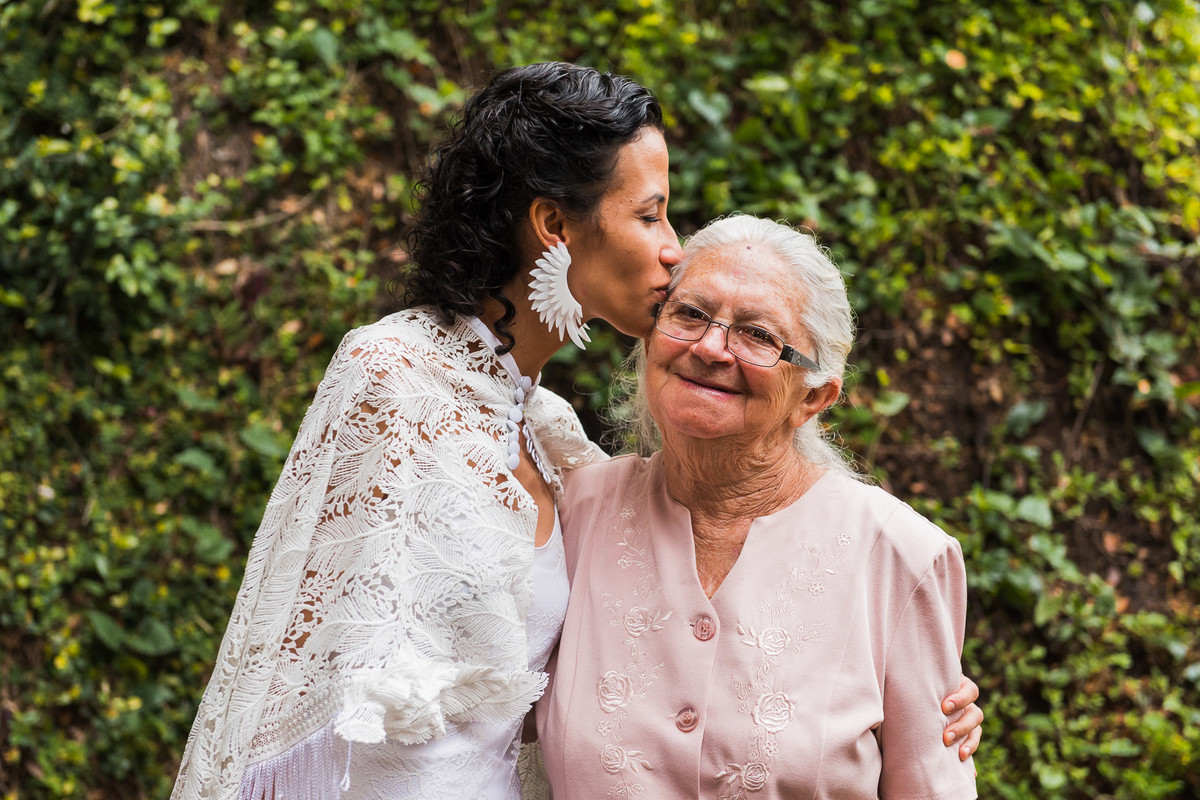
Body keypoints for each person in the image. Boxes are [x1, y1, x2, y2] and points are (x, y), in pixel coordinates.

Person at [171, 63, 981, 800]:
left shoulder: (557, 443)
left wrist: (915, 710)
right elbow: (282, 685)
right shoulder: (394, 376)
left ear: (818, 396)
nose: (673, 254)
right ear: (556, 224)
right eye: (653, 214)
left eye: (758, 336)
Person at [537, 215, 979, 799]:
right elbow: (479, 715)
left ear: (814, 397)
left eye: (759, 335)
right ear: (649, 340)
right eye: (690, 314)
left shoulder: (901, 559)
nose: (711, 348)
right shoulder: (572, 515)